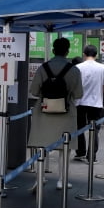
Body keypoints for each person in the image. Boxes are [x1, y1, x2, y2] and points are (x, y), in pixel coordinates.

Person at [28, 38, 83, 190]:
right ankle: (62, 180)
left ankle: (40, 178)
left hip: (44, 112)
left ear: (53, 50)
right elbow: (78, 94)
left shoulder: (42, 68)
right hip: (65, 113)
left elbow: (33, 91)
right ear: (67, 51)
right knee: (64, 148)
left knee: (41, 146)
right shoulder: (74, 70)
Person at [74, 45, 104, 163]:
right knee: (94, 129)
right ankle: (92, 156)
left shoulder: (77, 67)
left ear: (84, 54)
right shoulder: (102, 67)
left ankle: (80, 152)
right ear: (96, 55)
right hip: (96, 103)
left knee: (79, 128)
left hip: (79, 102)